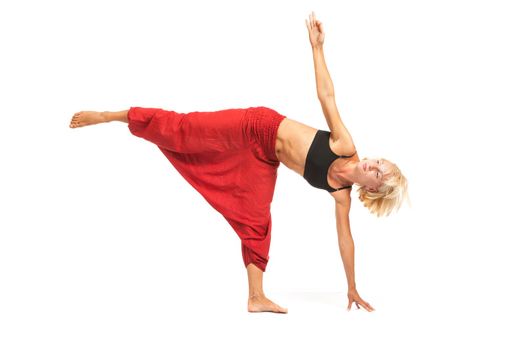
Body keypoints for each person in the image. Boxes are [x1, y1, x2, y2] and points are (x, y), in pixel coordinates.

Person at [69, 11, 408, 314]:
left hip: (264, 159)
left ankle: (256, 297)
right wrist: (317, 49)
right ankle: (109, 115)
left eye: (379, 173)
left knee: (257, 221)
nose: (373, 165)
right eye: (379, 161)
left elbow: (345, 239)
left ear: (374, 189)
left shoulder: (341, 194)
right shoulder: (345, 146)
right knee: (183, 129)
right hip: (254, 125)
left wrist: (351, 287)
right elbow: (327, 96)